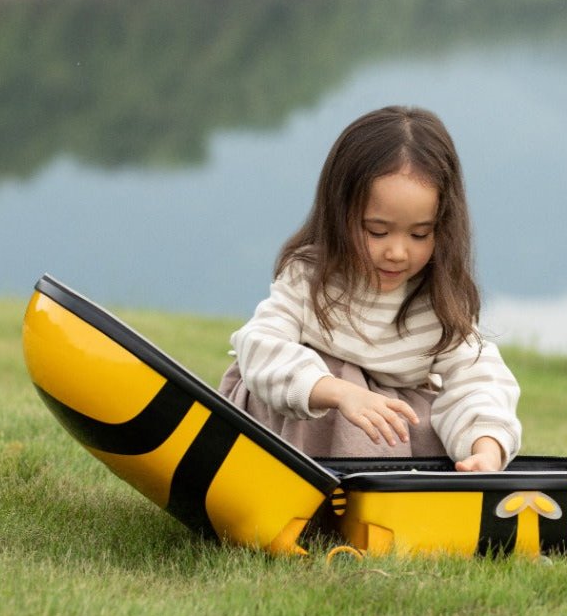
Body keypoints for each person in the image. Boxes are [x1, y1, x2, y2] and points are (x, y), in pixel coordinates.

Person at [220, 105, 521, 472]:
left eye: (419, 234)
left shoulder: (438, 302)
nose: (397, 252)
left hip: (383, 440)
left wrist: (486, 450)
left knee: (413, 413)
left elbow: (478, 381)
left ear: (442, 227)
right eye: (377, 231)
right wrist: (339, 392)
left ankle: (390, 499)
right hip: (298, 421)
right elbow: (259, 347)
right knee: (335, 380)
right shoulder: (310, 276)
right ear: (339, 214)